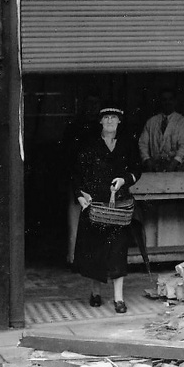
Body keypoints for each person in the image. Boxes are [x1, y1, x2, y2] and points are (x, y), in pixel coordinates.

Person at [73, 106, 140, 313]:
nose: (110, 121)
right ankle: (95, 293)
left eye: (114, 118)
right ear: (100, 121)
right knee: (95, 251)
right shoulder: (89, 145)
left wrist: (124, 180)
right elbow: (76, 173)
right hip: (96, 206)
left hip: (118, 206)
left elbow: (137, 170)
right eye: (106, 118)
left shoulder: (128, 144)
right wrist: (79, 197)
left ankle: (119, 299)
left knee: (118, 251)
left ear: (119, 122)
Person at [60, 92, 101, 266]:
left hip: (97, 178)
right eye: (89, 104)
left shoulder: (102, 128)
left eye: (95, 104)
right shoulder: (74, 127)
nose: (91, 108)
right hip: (77, 177)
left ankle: (94, 258)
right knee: (75, 219)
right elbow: (68, 154)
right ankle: (74, 258)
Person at [138, 89, 184, 171]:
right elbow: (143, 144)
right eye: (164, 100)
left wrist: (174, 163)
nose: (167, 102)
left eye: (170, 99)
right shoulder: (151, 122)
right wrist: (147, 159)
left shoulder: (183, 122)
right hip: (154, 169)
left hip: (176, 169)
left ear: (175, 101)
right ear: (160, 102)